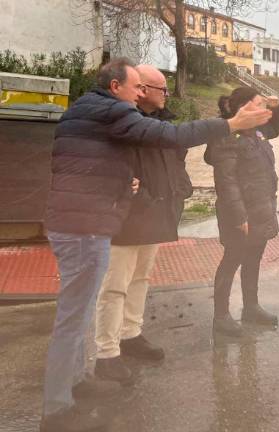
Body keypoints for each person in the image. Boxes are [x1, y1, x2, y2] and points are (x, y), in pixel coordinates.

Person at [41, 58, 272, 432]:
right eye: (136, 88)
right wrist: (230, 124)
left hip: (81, 219)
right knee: (74, 318)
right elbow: (173, 137)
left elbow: (82, 165)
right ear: (116, 87)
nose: (140, 95)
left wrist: (121, 182)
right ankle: (56, 412)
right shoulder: (114, 112)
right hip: (85, 226)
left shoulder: (85, 111)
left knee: (82, 311)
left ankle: (77, 382)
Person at [92, 65, 191, 386]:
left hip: (155, 214)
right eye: (161, 89)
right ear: (143, 89)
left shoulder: (162, 123)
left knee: (141, 278)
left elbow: (176, 161)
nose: (167, 94)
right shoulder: (122, 122)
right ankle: (106, 354)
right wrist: (146, 199)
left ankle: (130, 334)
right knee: (115, 285)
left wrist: (181, 189)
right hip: (126, 216)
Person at [204, 87, 279, 337]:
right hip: (240, 214)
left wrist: (277, 106)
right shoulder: (227, 134)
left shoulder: (257, 131)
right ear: (244, 106)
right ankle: (221, 317)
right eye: (259, 103)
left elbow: (276, 128)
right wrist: (239, 217)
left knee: (253, 259)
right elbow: (226, 182)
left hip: (260, 208)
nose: (264, 108)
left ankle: (251, 307)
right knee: (232, 261)